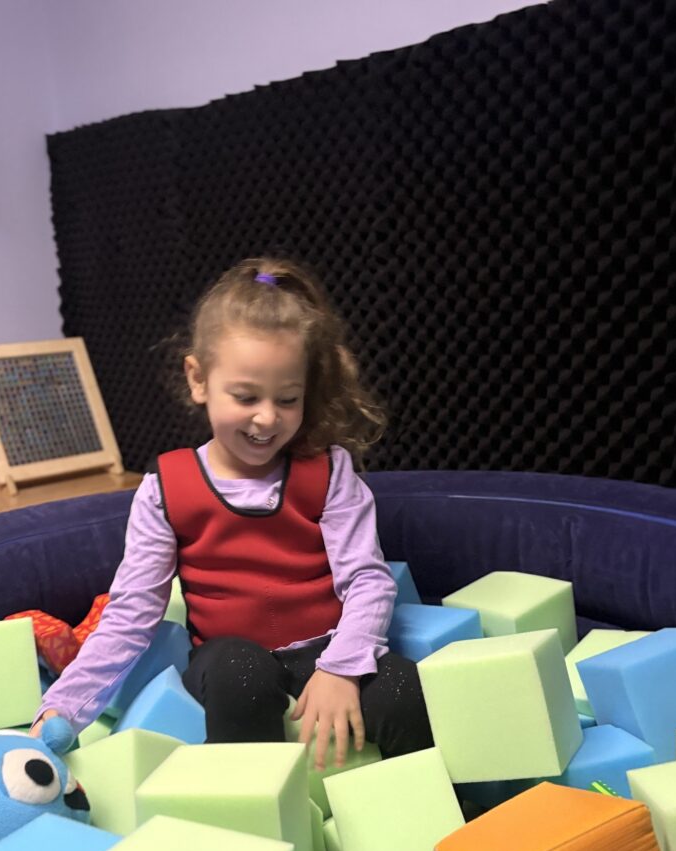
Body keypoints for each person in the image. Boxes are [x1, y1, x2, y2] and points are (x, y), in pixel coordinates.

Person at [31, 257, 432, 770]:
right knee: (239, 674)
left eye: (288, 399)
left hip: (327, 648)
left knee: (401, 688)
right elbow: (131, 614)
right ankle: (261, 831)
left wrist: (342, 669)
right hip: (228, 659)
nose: (267, 417)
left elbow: (369, 582)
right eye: (245, 397)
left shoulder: (329, 471)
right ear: (198, 379)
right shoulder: (165, 488)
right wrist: (63, 707)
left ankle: (441, 824)